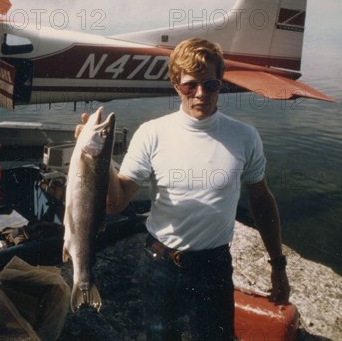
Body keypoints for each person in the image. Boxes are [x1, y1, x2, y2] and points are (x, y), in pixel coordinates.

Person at [78, 38, 290, 340]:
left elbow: (261, 198)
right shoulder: (153, 133)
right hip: (159, 264)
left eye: (211, 84)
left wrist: (278, 265)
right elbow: (116, 202)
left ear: (220, 84)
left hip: (214, 266)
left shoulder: (244, 136)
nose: (201, 94)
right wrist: (98, 160)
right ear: (177, 85)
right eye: (191, 85)